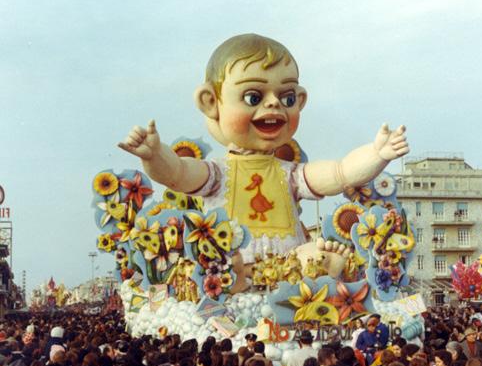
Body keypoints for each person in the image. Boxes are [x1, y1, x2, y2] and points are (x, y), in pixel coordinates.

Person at [119, 34, 409, 292]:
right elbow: (178, 173)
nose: (273, 104)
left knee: (326, 259)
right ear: (211, 101)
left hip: (288, 267)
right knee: (223, 266)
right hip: (233, 267)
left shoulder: (290, 174)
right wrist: (155, 155)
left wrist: (377, 154)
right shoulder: (217, 173)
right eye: (253, 96)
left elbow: (341, 173)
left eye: (287, 96)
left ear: (301, 99)